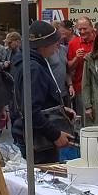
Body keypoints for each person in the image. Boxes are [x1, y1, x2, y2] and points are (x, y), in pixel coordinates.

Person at [11, 21, 74, 164]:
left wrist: (60, 110)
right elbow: (30, 110)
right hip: (38, 141)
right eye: (55, 43)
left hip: (33, 136)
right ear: (44, 45)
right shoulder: (33, 68)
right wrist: (55, 135)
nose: (57, 47)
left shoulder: (27, 62)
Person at [66, 16, 96, 100]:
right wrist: (76, 58)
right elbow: (69, 68)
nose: (82, 32)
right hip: (80, 87)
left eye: (85, 29)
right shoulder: (73, 43)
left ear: (91, 27)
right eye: (80, 29)